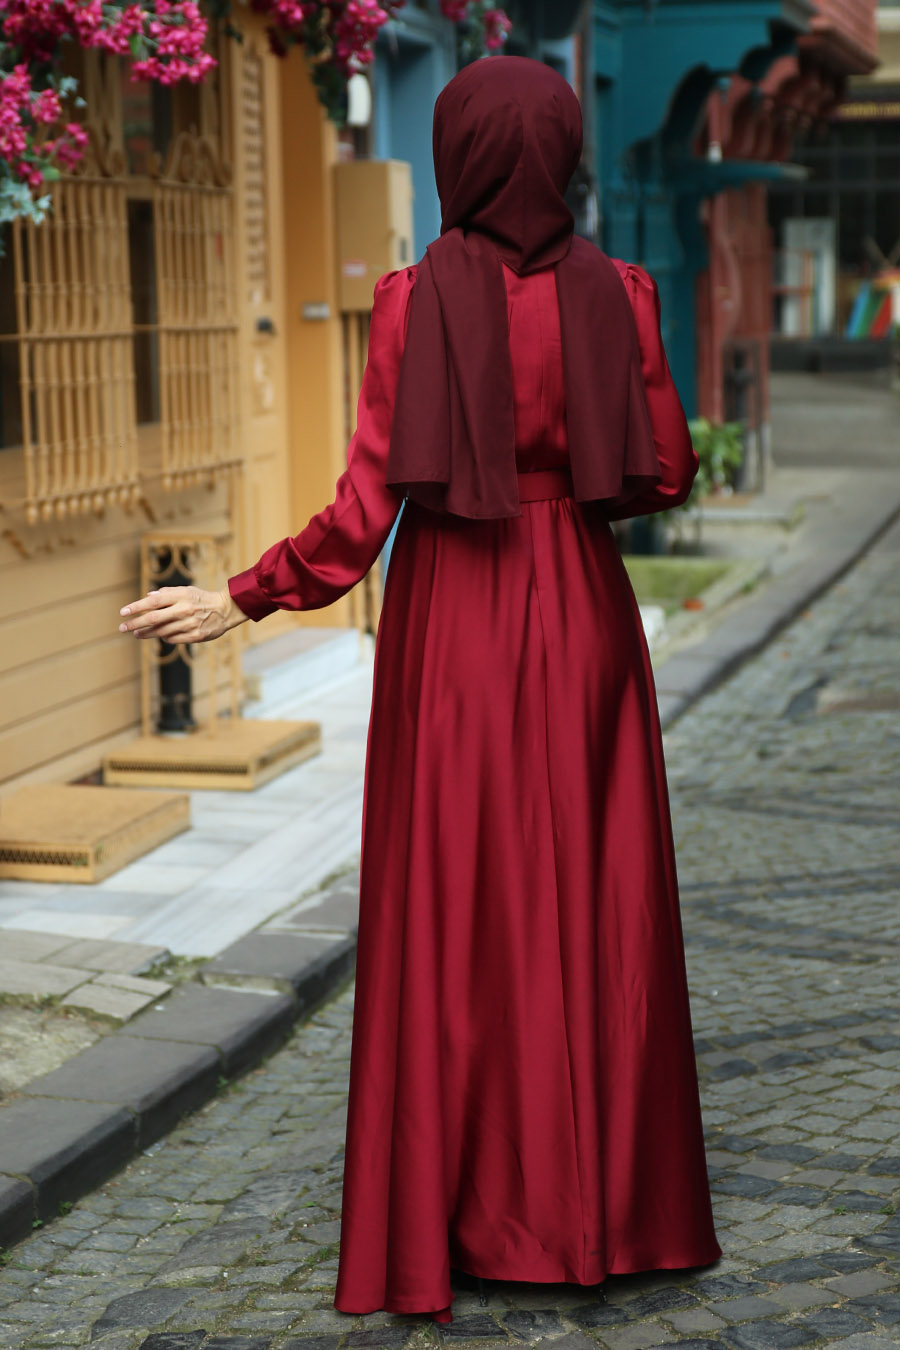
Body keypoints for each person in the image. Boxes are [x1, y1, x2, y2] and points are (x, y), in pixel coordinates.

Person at [119, 55, 721, 1325]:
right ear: (559, 151)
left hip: (455, 619)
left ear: (455, 154)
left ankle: (465, 1214)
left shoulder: (410, 298)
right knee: (598, 897)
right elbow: (664, 471)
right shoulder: (624, 291)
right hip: (587, 615)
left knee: (456, 900)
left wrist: (236, 597)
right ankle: (611, 1212)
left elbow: (360, 515)